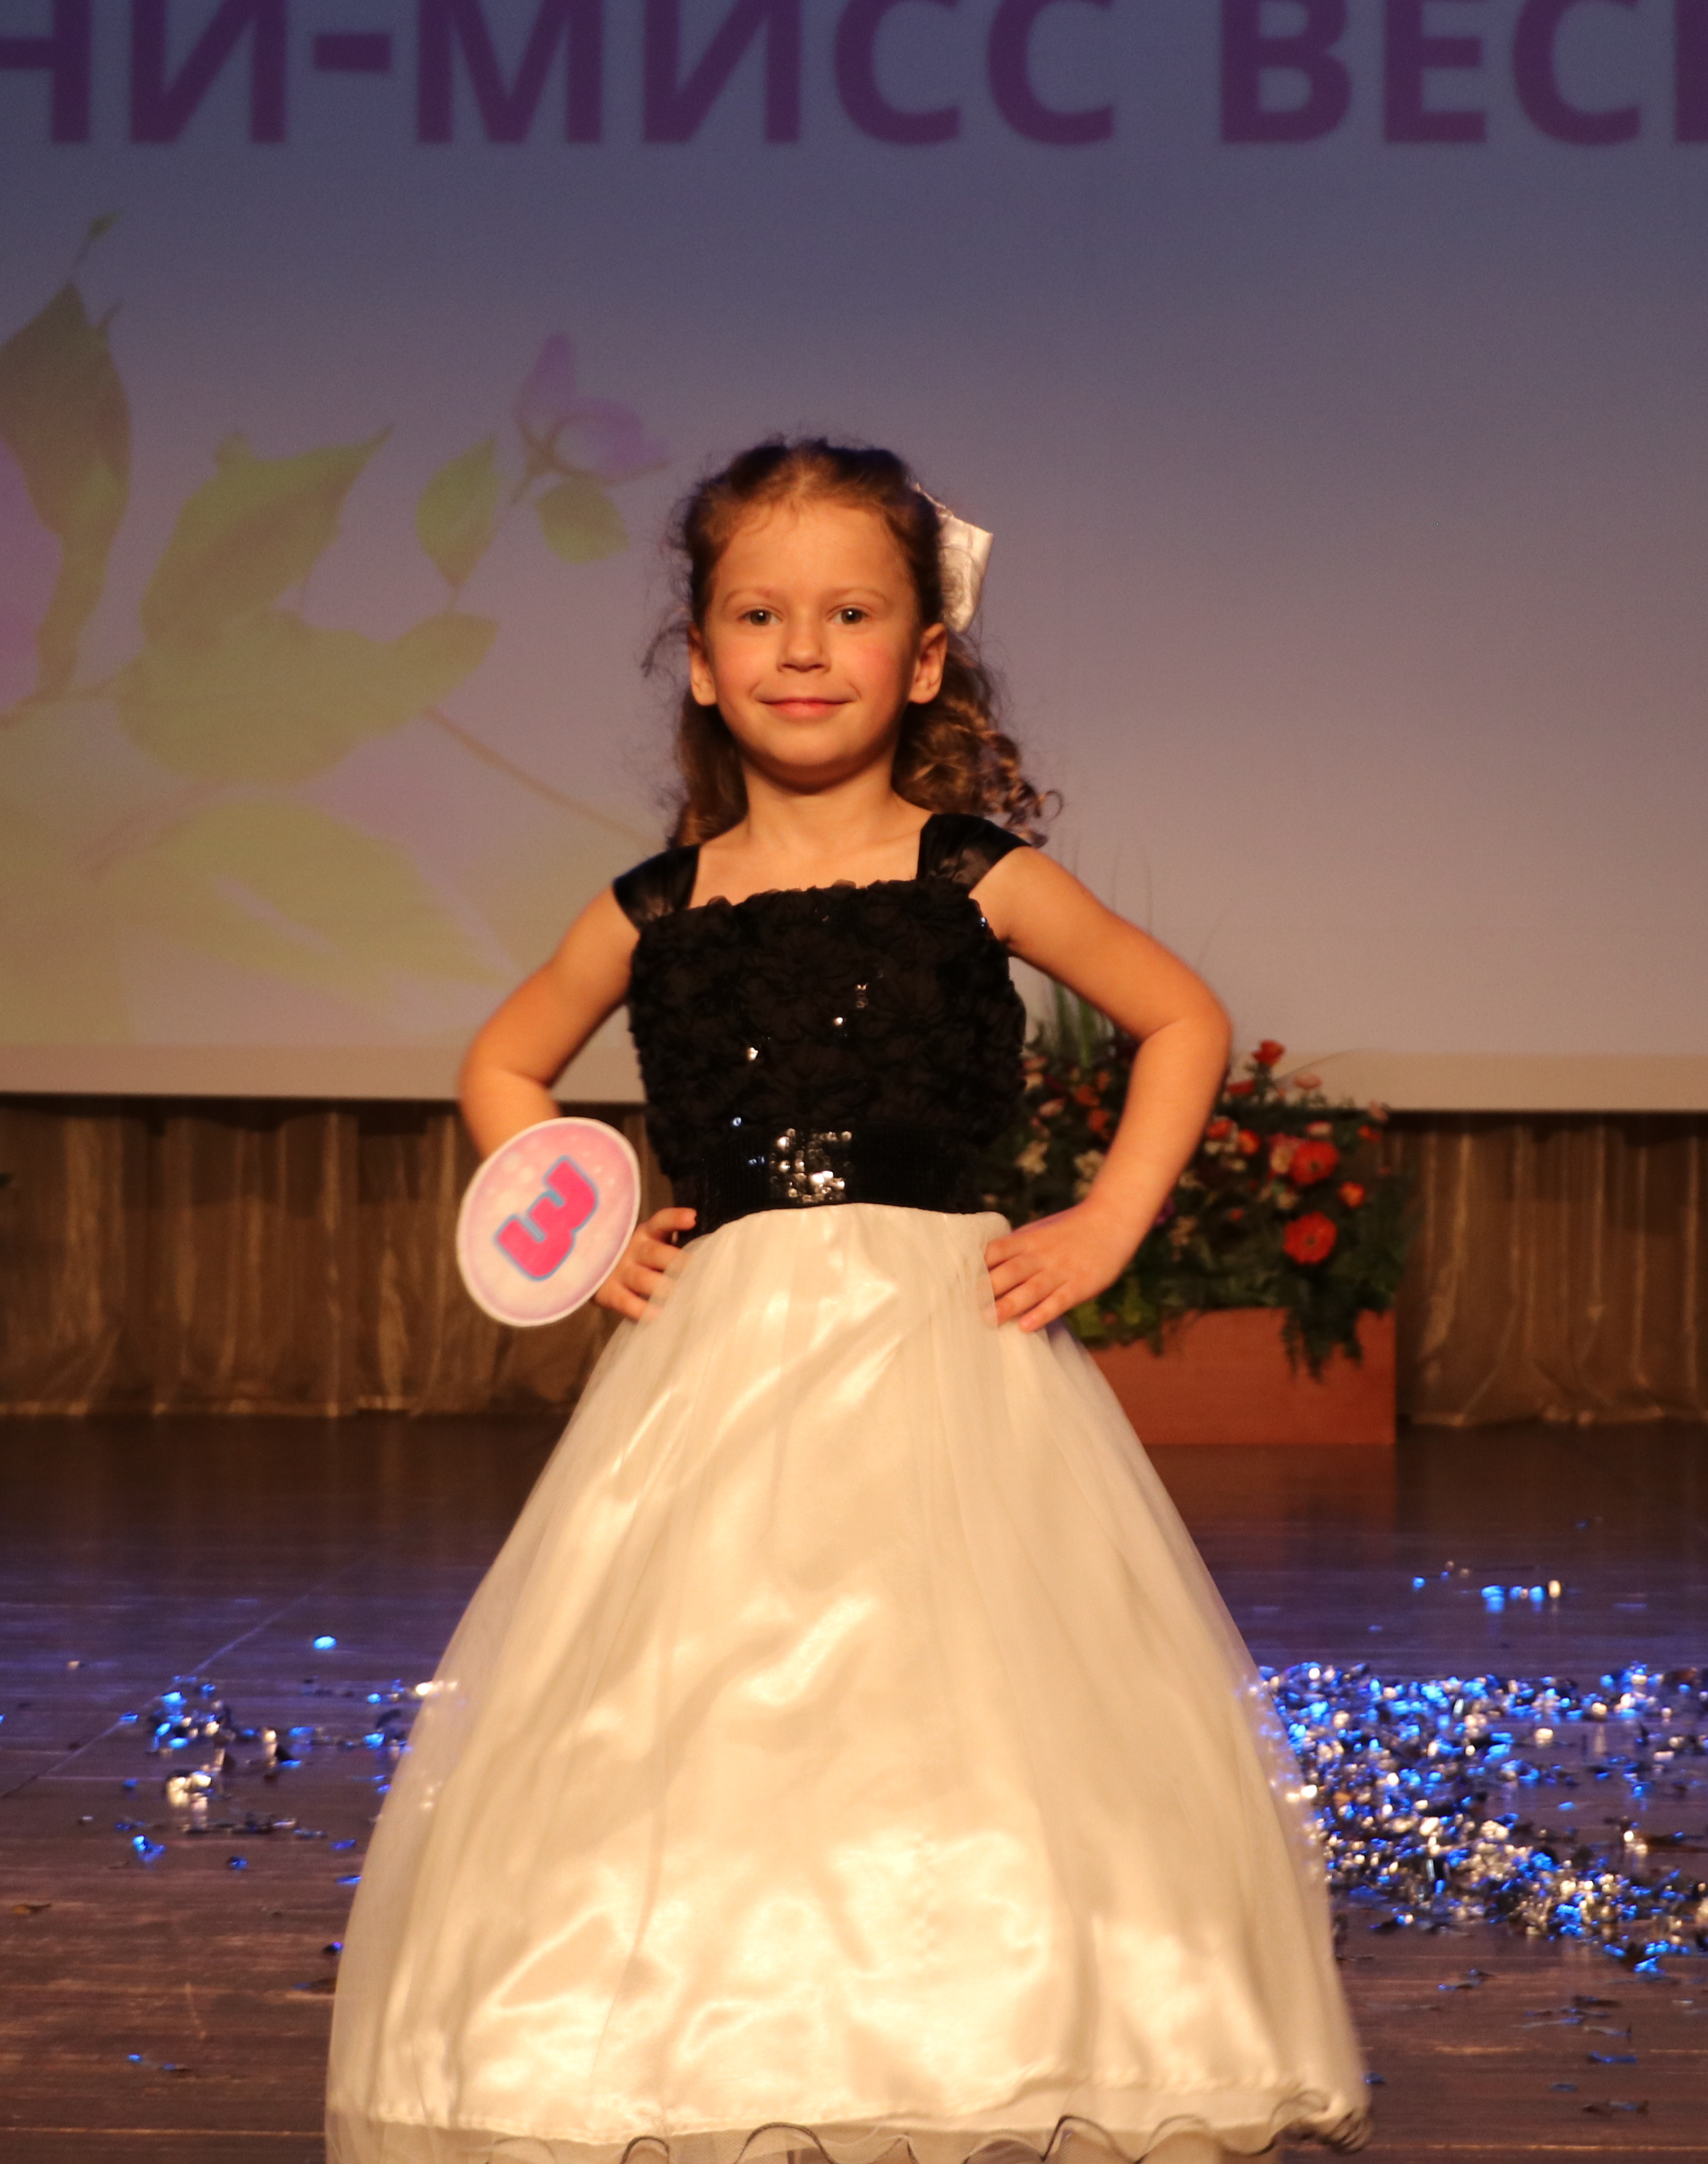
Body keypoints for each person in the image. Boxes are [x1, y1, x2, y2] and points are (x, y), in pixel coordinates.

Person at [324, 439, 1369, 2164]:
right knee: (710, 1692)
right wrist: (588, 1232)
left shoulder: (977, 874)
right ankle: (698, 2041)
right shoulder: (655, 908)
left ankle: (995, 2030)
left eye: (852, 613)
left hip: (946, 1352)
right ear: (701, 655)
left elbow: (1178, 1015)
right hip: (719, 1367)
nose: (803, 648)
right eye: (759, 614)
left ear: (925, 655)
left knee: (956, 1690)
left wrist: (1108, 1223)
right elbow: (503, 1065)